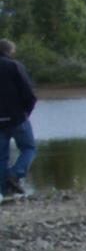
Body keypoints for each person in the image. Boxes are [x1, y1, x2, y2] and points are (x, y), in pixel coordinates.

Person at [0, 39, 38, 200]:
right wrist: (26, 113)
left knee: (1, 156)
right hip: (17, 118)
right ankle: (15, 175)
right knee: (29, 148)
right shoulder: (15, 66)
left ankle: (5, 192)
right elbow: (29, 93)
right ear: (10, 51)